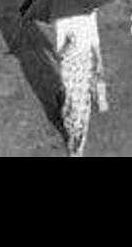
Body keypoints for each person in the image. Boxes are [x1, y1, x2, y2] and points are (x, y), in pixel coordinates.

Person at [54, 10, 107, 158]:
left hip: (86, 61)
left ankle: (77, 147)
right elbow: (60, 51)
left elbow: (94, 34)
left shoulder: (90, 9)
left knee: (82, 107)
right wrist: (68, 43)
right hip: (70, 66)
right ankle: (68, 119)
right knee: (72, 106)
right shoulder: (61, 15)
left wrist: (99, 60)